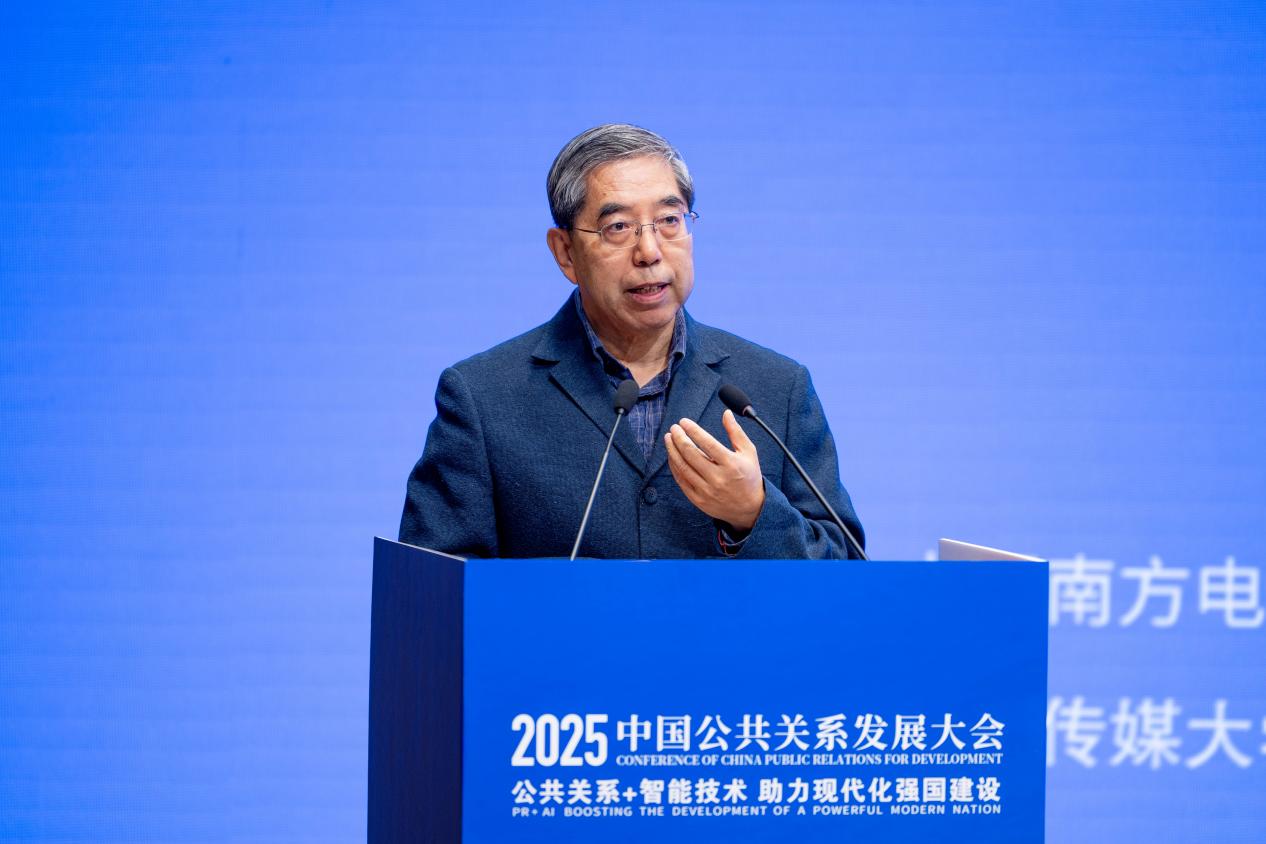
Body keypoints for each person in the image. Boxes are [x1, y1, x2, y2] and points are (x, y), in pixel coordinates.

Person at [399, 124, 863, 559]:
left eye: (669, 220)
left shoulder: (776, 388)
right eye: (618, 227)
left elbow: (845, 572)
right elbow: (432, 591)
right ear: (565, 252)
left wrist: (754, 513)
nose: (650, 252)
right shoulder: (482, 398)